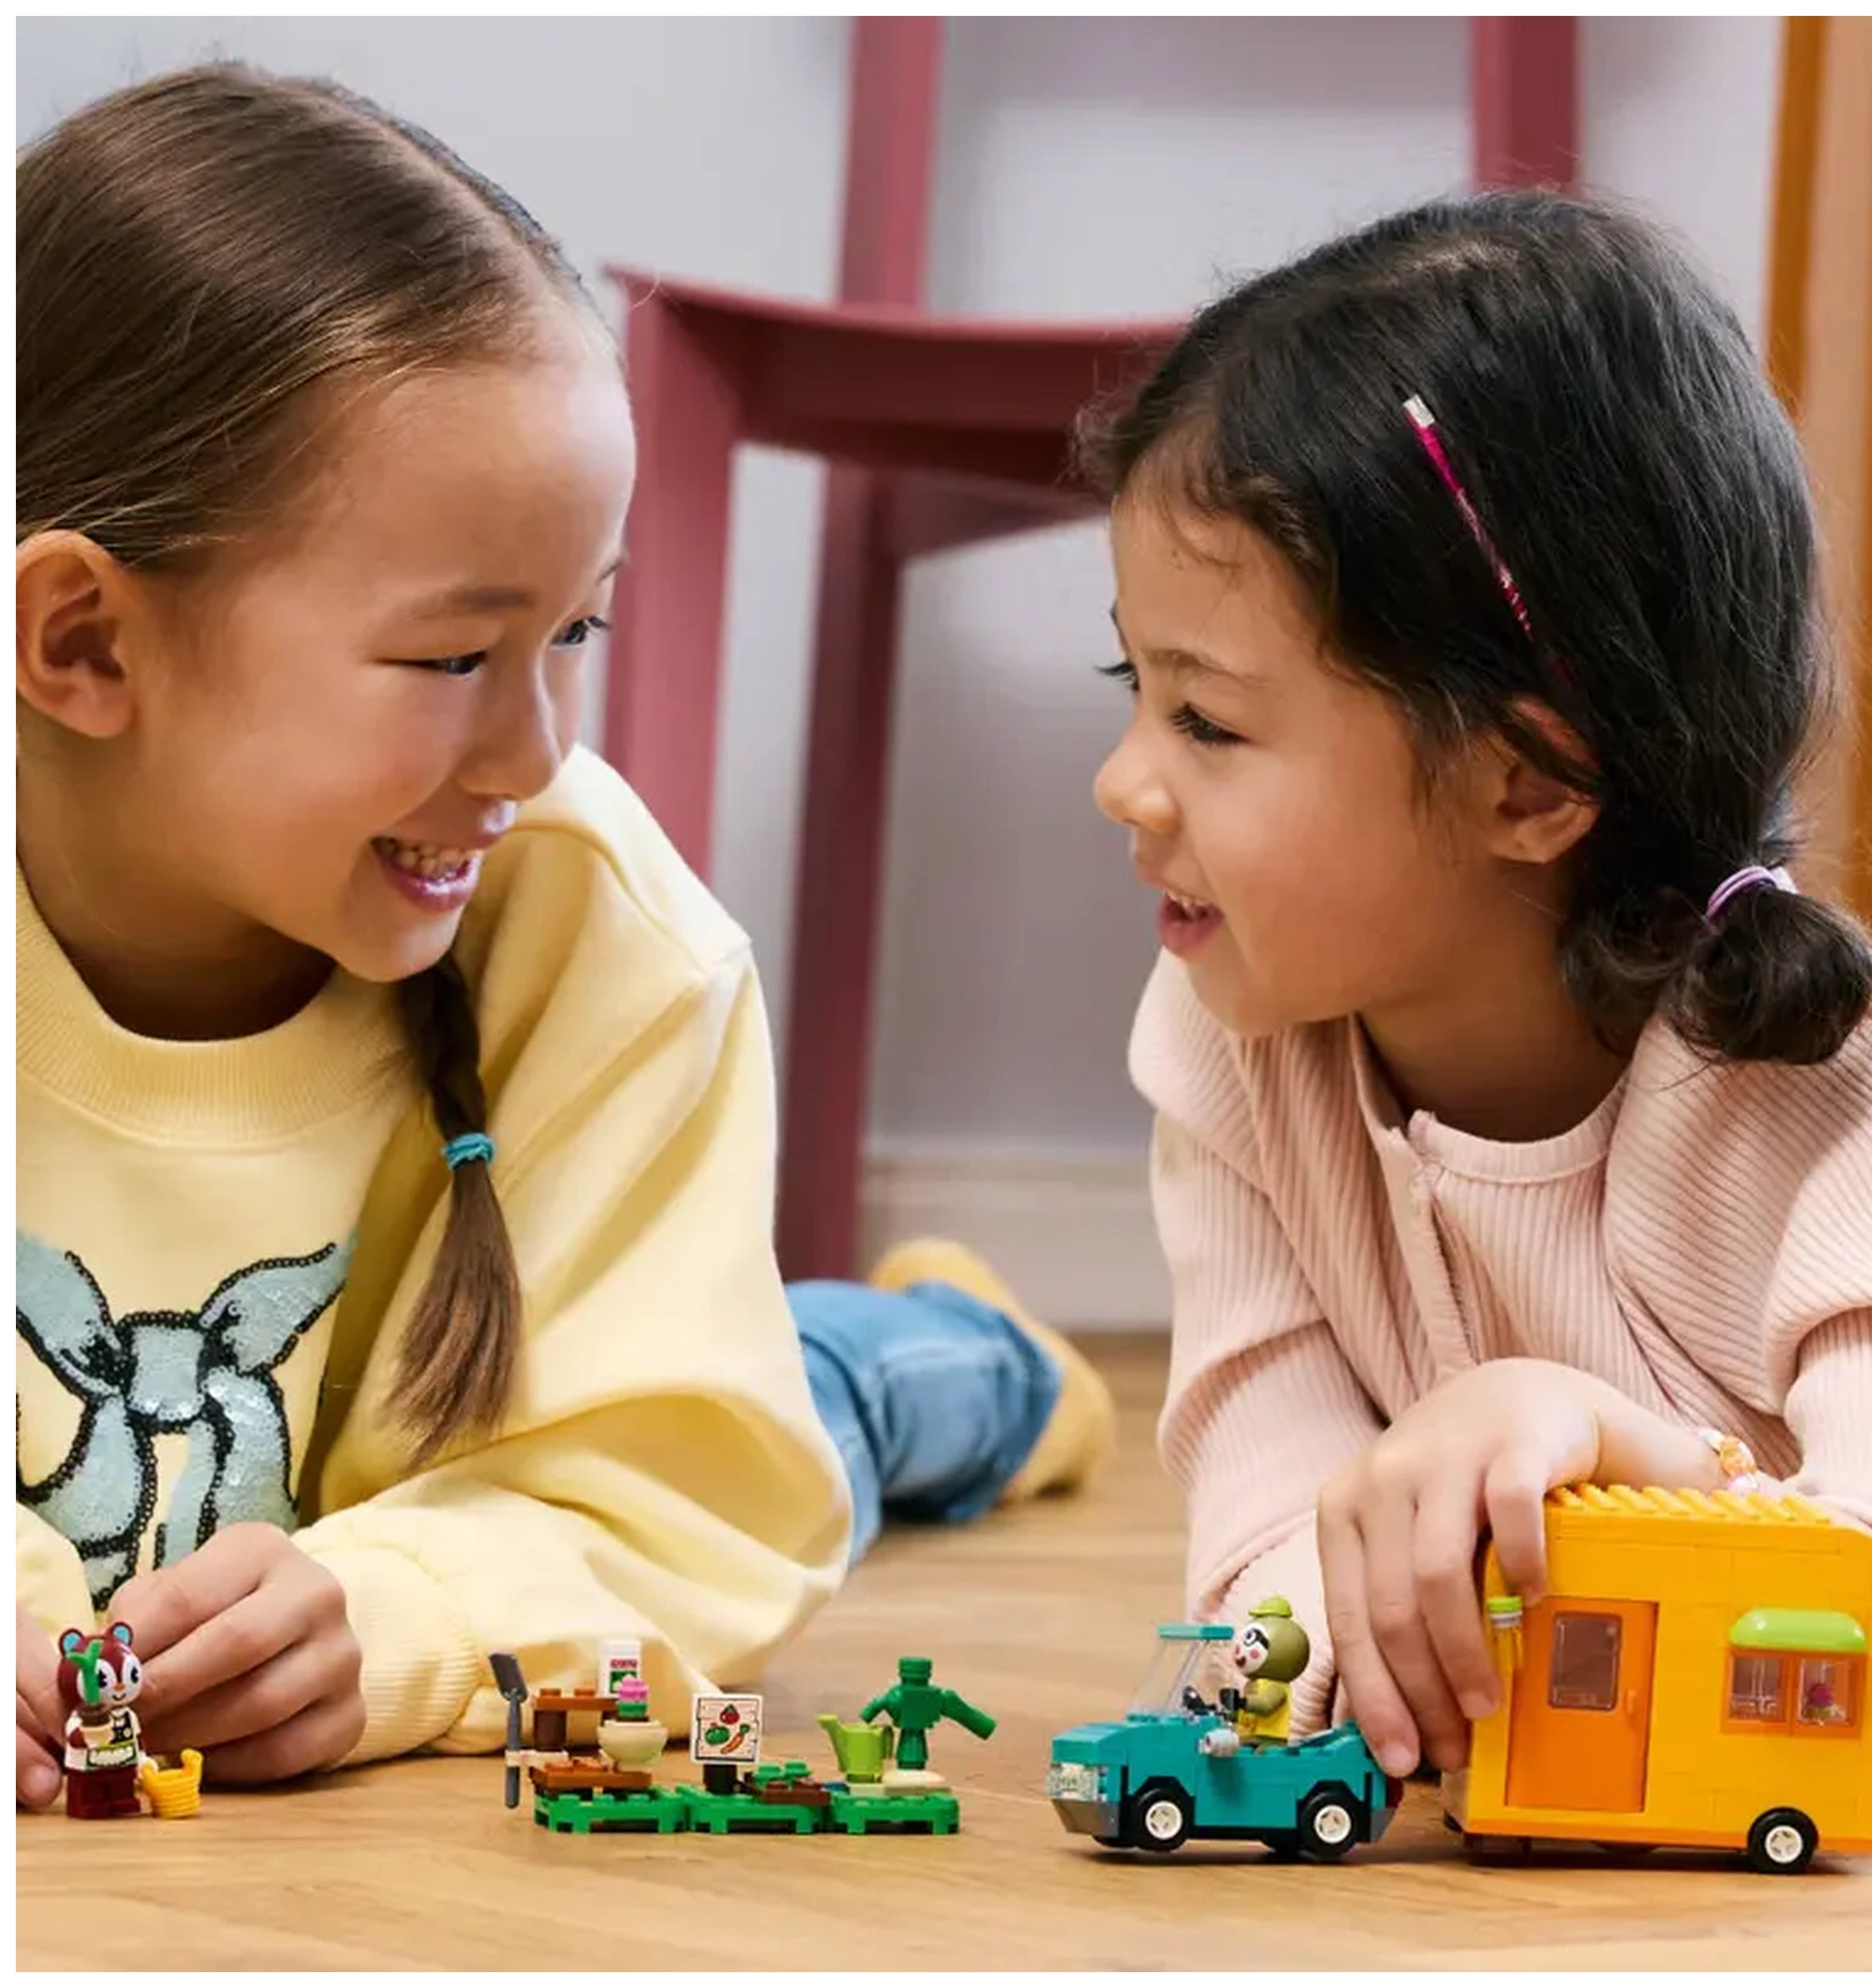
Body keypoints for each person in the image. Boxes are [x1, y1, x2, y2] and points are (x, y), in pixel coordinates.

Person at [15, 64, 1109, 1809]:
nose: (538, 752)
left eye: (576, 629)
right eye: (456, 654)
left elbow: (690, 1490)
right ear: (83, 642)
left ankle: (961, 1352)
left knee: (818, 1402)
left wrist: (405, 1611)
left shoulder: (615, 939)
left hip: (572, 1414)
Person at [1088, 192, 1872, 1823]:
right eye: (1126, 686)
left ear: (1529, 776)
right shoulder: (1230, 1042)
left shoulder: (1870, 1111)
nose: (1121, 781)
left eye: (1204, 719)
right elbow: (1262, 1594)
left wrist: (1640, 1477)